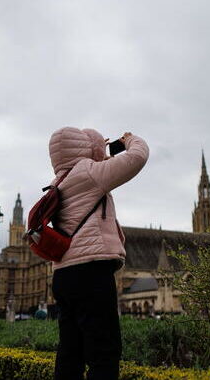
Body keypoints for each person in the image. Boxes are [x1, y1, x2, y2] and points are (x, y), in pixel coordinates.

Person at [48, 128, 149, 380]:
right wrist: (129, 141)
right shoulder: (89, 173)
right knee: (104, 352)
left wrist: (99, 154)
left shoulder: (58, 181)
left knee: (70, 352)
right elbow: (138, 157)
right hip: (90, 273)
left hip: (62, 275)